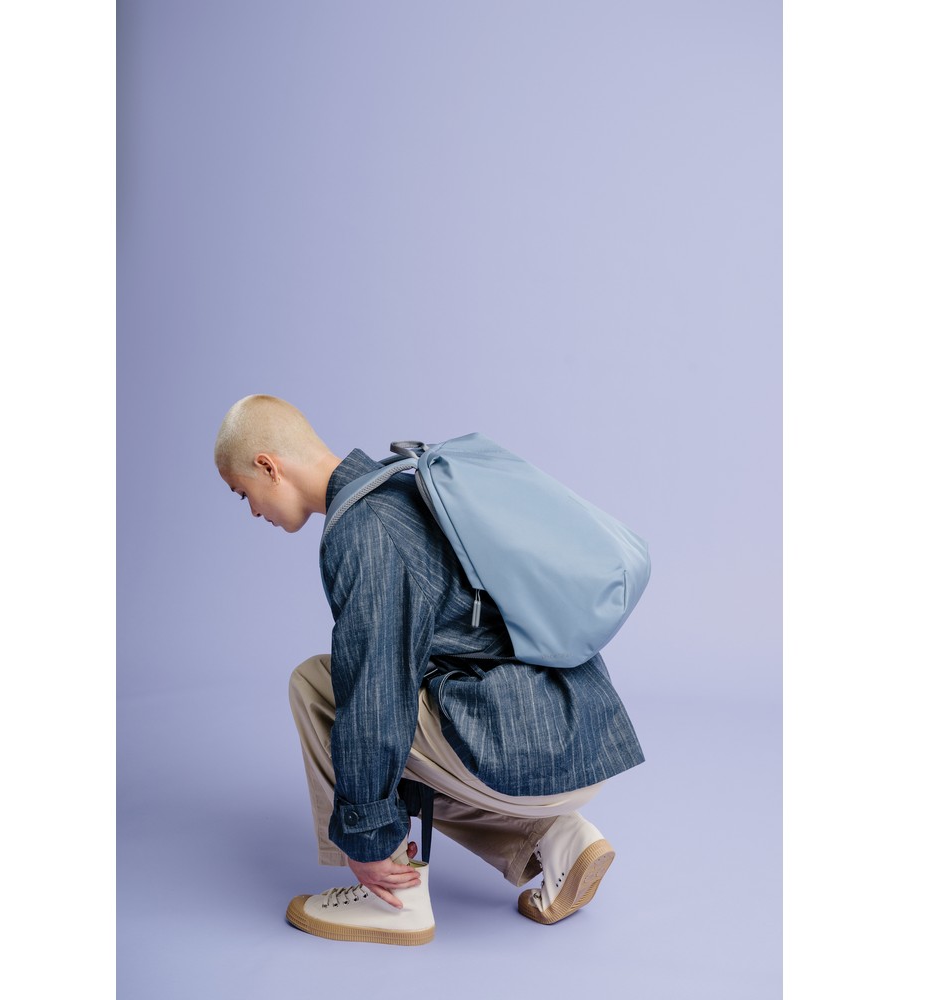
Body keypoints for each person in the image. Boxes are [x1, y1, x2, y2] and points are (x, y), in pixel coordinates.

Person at [214, 394, 645, 946]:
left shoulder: (364, 528)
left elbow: (374, 697)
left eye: (242, 493)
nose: (253, 511)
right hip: (576, 734)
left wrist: (365, 838)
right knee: (396, 704)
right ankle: (558, 839)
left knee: (320, 688)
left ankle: (392, 897)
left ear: (268, 467)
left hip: (524, 746)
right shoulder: (402, 484)